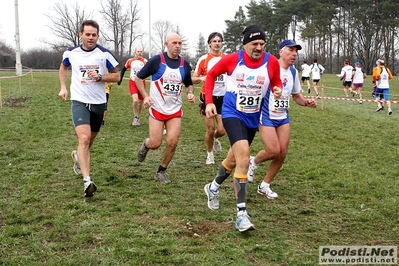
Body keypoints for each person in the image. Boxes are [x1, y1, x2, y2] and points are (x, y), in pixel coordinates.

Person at [202, 25, 282, 232]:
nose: (258, 48)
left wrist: (277, 89)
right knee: (244, 158)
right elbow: (210, 76)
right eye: (254, 44)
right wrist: (210, 102)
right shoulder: (231, 59)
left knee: (232, 161)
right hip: (232, 113)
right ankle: (241, 214)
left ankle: (212, 188)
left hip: (252, 118)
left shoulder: (271, 61)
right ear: (245, 44)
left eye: (262, 44)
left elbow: (276, 81)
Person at [247, 39, 317, 199]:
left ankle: (265, 185)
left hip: (283, 116)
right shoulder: (269, 68)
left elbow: (296, 96)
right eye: (290, 50)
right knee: (273, 150)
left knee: (282, 153)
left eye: (296, 51)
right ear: (280, 51)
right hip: (267, 115)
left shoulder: (293, 72)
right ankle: (254, 162)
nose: (294, 54)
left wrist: (306, 102)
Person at [58, 20, 120, 197]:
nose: (91, 37)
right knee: (84, 139)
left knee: (89, 141)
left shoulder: (104, 54)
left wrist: (101, 77)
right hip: (78, 100)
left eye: (94, 34)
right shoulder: (71, 53)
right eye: (88, 34)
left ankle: (78, 156)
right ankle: (87, 181)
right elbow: (63, 67)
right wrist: (63, 87)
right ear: (81, 35)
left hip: (98, 103)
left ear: (98, 36)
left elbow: (116, 76)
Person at [135, 33, 195, 184]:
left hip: (175, 110)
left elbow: (188, 83)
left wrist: (190, 93)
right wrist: (145, 96)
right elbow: (138, 78)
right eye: (174, 43)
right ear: (166, 44)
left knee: (172, 141)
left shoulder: (184, 64)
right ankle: (146, 144)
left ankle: (161, 171)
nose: (177, 46)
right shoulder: (157, 61)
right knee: (155, 143)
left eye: (180, 43)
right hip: (157, 109)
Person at [192, 32, 227, 165]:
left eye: (219, 41)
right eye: (214, 41)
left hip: (223, 97)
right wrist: (201, 78)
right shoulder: (204, 59)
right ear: (209, 43)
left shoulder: (227, 58)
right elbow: (193, 78)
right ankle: (209, 154)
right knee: (210, 129)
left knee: (222, 130)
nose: (217, 43)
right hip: (208, 97)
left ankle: (214, 139)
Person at [118, 47, 147, 126]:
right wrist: (120, 79)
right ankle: (135, 117)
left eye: (141, 51)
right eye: (138, 51)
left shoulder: (145, 62)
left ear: (143, 53)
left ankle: (137, 117)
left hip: (142, 83)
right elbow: (123, 69)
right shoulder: (130, 61)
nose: (139, 53)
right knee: (135, 100)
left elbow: (151, 71)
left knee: (140, 102)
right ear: (135, 52)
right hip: (133, 82)